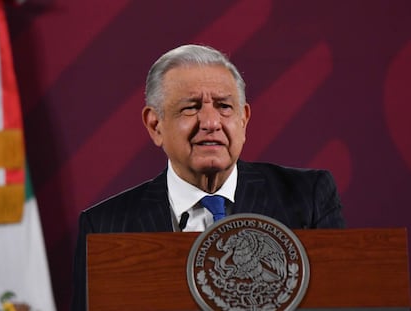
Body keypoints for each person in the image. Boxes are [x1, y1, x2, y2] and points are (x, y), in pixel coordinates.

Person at [71, 44, 345, 310]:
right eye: (190, 107)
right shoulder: (104, 226)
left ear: (243, 120)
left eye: (224, 106)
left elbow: (343, 300)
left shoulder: (308, 197)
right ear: (155, 125)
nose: (211, 122)